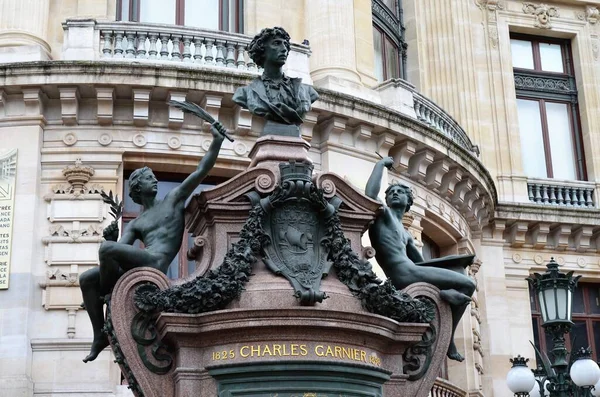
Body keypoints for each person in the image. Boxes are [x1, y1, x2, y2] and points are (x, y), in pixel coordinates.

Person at [79, 122, 227, 363]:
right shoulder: (138, 222)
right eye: (149, 178)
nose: (155, 181)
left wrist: (217, 142)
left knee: (106, 251)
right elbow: (118, 253)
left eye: (154, 177)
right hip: (141, 263)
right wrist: (110, 237)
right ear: (137, 188)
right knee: (86, 278)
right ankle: (99, 335)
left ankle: (110, 301)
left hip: (157, 262)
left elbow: (201, 170)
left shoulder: (173, 198)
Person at [365, 157, 476, 362]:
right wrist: (380, 166)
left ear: (408, 202)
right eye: (391, 192)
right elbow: (370, 195)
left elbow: (422, 264)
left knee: (466, 281)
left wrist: (453, 261)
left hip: (411, 271)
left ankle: (446, 307)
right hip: (402, 274)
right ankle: (448, 338)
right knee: (468, 284)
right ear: (387, 200)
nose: (395, 193)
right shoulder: (385, 216)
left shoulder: (406, 234)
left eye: (400, 192)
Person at [232, 26, 318, 128]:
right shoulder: (245, 93)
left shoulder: (306, 91)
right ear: (262, 50)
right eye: (277, 43)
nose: (284, 49)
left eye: (285, 44)